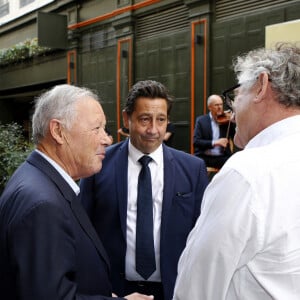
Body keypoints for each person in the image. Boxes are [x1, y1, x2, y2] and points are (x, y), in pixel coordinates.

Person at [0, 84, 153, 300]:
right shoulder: (43, 205)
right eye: (97, 128)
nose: (107, 139)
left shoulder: (38, 180)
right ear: (58, 131)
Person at [173, 43, 300, 300]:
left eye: (235, 95)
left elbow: (195, 291)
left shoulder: (247, 173)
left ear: (261, 86)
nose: (231, 114)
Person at [80, 80, 208, 300]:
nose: (153, 130)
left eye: (161, 120)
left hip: (173, 291)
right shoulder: (98, 165)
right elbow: (82, 231)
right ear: (126, 119)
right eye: (144, 119)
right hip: (114, 291)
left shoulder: (193, 169)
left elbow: (202, 235)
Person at [193, 94, 235, 169]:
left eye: (221, 105)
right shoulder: (201, 121)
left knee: (234, 164)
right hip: (204, 157)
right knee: (194, 164)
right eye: (216, 105)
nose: (220, 107)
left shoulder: (227, 120)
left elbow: (236, 137)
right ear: (210, 107)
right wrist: (216, 142)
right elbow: (196, 142)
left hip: (222, 157)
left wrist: (235, 121)